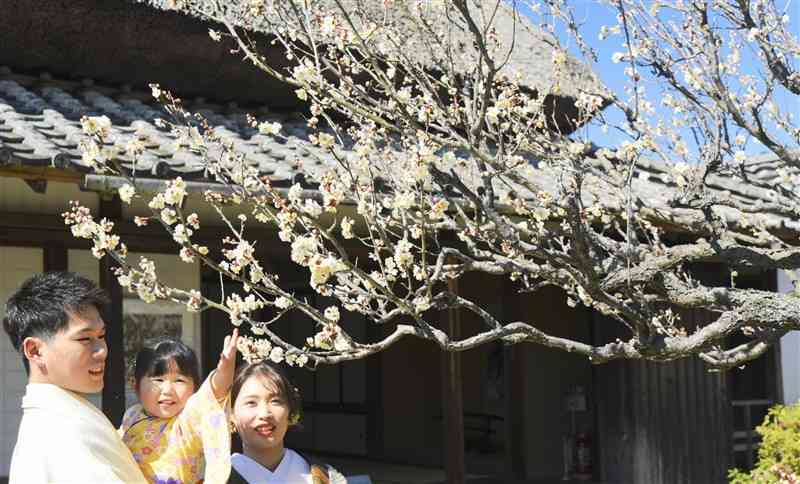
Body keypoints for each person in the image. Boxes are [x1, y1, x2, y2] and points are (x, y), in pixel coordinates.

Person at [2, 271, 146, 483]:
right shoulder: (59, 434)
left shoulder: (64, 417)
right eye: (85, 338)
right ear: (35, 351)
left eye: (101, 336)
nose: (102, 350)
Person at [120, 329, 239, 483]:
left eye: (179, 381)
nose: (168, 390)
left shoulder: (188, 420)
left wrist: (226, 367)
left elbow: (215, 390)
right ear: (135, 385)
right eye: (158, 380)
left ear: (195, 387)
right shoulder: (132, 416)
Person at [228, 361, 347, 484]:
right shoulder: (217, 478)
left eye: (275, 401)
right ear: (231, 414)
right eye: (251, 403)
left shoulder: (325, 476)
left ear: (290, 410)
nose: (265, 414)